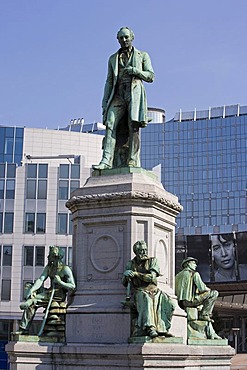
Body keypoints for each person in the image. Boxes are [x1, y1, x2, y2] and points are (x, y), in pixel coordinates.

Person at [93, 27, 154, 170]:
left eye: (126, 37)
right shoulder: (113, 58)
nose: (124, 40)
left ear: (132, 37)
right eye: (121, 38)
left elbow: (151, 76)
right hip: (118, 94)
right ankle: (106, 160)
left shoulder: (142, 55)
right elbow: (109, 80)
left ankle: (132, 160)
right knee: (110, 123)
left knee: (133, 126)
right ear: (117, 40)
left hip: (134, 93)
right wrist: (105, 100)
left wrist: (135, 71)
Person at [16, 246, 76, 335]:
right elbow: (41, 279)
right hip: (49, 292)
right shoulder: (49, 267)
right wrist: (32, 290)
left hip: (57, 295)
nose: (48, 257)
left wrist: (60, 282)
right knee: (29, 286)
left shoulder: (65, 269)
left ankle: (30, 302)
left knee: (32, 303)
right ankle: (23, 329)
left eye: (50, 255)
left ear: (56, 256)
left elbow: (72, 286)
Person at [122, 240, 175, 338]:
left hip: (155, 290)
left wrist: (137, 274)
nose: (144, 252)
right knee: (146, 300)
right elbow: (124, 283)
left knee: (170, 303)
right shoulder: (131, 264)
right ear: (136, 252)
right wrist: (125, 275)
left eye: (145, 250)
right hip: (140, 290)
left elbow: (152, 277)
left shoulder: (152, 261)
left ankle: (162, 328)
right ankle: (150, 328)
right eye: (141, 250)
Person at [175, 257, 218, 322]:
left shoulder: (177, 276)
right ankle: (204, 314)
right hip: (191, 301)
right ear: (188, 264)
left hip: (180, 303)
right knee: (214, 293)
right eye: (194, 263)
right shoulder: (194, 274)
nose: (196, 265)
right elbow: (202, 288)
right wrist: (208, 290)